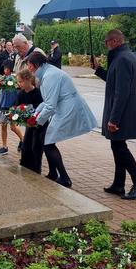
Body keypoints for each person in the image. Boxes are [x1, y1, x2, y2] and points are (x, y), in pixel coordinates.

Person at [90, 29, 136, 200]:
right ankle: (118, 184)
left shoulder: (122, 59)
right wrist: (98, 69)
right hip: (122, 111)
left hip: (121, 113)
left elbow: (121, 92)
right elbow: (113, 80)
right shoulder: (122, 56)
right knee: (117, 147)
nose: (106, 45)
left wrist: (114, 119)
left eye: (107, 41)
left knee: (121, 149)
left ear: (115, 41)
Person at [26, 51, 97, 188]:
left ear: (36, 64)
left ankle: (64, 178)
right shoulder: (47, 73)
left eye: (29, 65)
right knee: (45, 139)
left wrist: (36, 121)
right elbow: (47, 102)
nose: (28, 68)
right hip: (64, 107)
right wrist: (35, 114)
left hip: (68, 108)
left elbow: (50, 105)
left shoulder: (49, 76)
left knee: (47, 142)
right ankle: (54, 173)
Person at [16, 69, 46, 173]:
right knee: (26, 146)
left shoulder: (38, 93)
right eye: (18, 82)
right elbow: (17, 108)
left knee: (36, 147)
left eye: (20, 81)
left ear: (28, 80)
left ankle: (36, 169)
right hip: (29, 124)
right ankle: (25, 166)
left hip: (39, 125)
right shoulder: (21, 94)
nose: (19, 84)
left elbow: (41, 108)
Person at [0, 60, 23, 154]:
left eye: (7, 69)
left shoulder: (14, 79)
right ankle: (4, 146)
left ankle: (23, 140)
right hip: (4, 105)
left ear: (11, 69)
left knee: (13, 127)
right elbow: (0, 93)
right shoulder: (3, 78)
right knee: (3, 125)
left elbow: (18, 89)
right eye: (4, 69)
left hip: (11, 106)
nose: (5, 70)